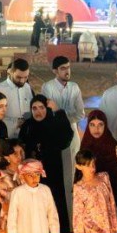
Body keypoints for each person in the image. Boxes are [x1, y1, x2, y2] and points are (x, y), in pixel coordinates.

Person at [18, 94, 75, 233]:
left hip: (53, 178)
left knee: (54, 212)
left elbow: (66, 139)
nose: (38, 111)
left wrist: (59, 112)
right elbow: (21, 148)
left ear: (47, 108)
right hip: (32, 180)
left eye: (42, 107)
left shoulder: (54, 123)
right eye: (34, 108)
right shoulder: (28, 126)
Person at [42, 55, 85, 214]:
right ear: (55, 71)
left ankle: (73, 211)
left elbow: (80, 114)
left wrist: (60, 113)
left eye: (68, 67)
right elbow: (49, 114)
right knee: (56, 171)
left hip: (72, 134)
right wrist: (66, 115)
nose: (67, 71)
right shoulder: (48, 87)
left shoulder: (74, 87)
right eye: (63, 68)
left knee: (72, 172)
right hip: (54, 135)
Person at [0, 58, 34, 140]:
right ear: (10, 72)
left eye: (25, 77)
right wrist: (16, 123)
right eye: (18, 77)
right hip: (6, 138)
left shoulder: (27, 87)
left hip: (27, 136)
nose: (22, 81)